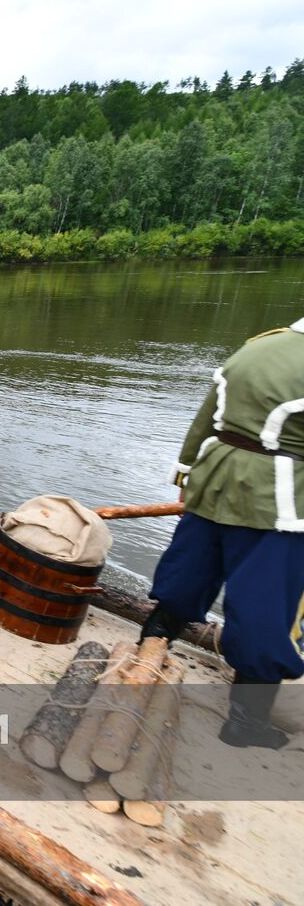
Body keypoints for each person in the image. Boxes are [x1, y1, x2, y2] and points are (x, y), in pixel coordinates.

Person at [138, 317, 304, 749]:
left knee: (187, 573)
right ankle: (246, 723)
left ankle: (146, 656)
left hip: (214, 476)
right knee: (267, 606)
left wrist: (186, 477)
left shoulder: (257, 346)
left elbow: (206, 418)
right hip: (278, 496)